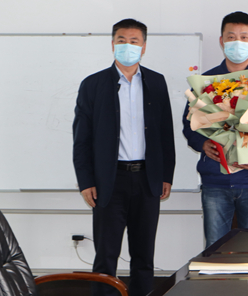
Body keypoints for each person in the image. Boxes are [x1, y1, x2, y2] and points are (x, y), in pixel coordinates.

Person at [73, 19, 175, 296]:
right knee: (105, 257)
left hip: (147, 179)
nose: (127, 46)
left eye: (134, 41)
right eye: (121, 40)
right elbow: (81, 140)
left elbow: (165, 133)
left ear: (143, 46)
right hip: (109, 181)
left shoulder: (156, 82)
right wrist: (86, 181)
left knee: (144, 257)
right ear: (112, 44)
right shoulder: (93, 84)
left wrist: (166, 175)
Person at [182, 11, 248, 248]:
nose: (237, 42)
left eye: (243, 37)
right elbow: (189, 124)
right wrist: (202, 143)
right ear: (221, 41)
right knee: (215, 248)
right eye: (231, 37)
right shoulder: (207, 81)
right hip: (216, 179)